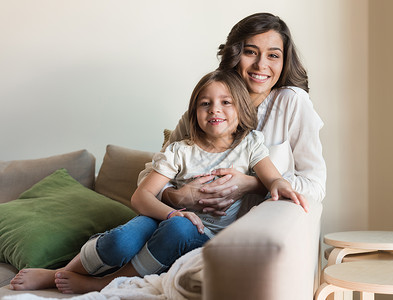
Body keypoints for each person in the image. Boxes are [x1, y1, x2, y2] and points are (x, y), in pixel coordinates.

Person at [9, 70, 308, 294]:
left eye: (225, 102)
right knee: (123, 238)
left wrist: (278, 185)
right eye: (205, 103)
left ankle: (104, 283)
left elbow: (271, 176)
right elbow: (142, 198)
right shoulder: (180, 151)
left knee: (181, 228)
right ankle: (60, 272)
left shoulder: (250, 145)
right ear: (194, 113)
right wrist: (174, 210)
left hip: (202, 235)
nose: (215, 109)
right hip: (165, 219)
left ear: (241, 110)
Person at [148, 12, 326, 216]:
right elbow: (148, 176)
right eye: (250, 52)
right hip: (191, 227)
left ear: (284, 62)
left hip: (255, 231)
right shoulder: (207, 110)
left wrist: (255, 184)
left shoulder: (292, 101)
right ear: (234, 54)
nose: (261, 65)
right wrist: (176, 196)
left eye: (273, 55)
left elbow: (316, 187)